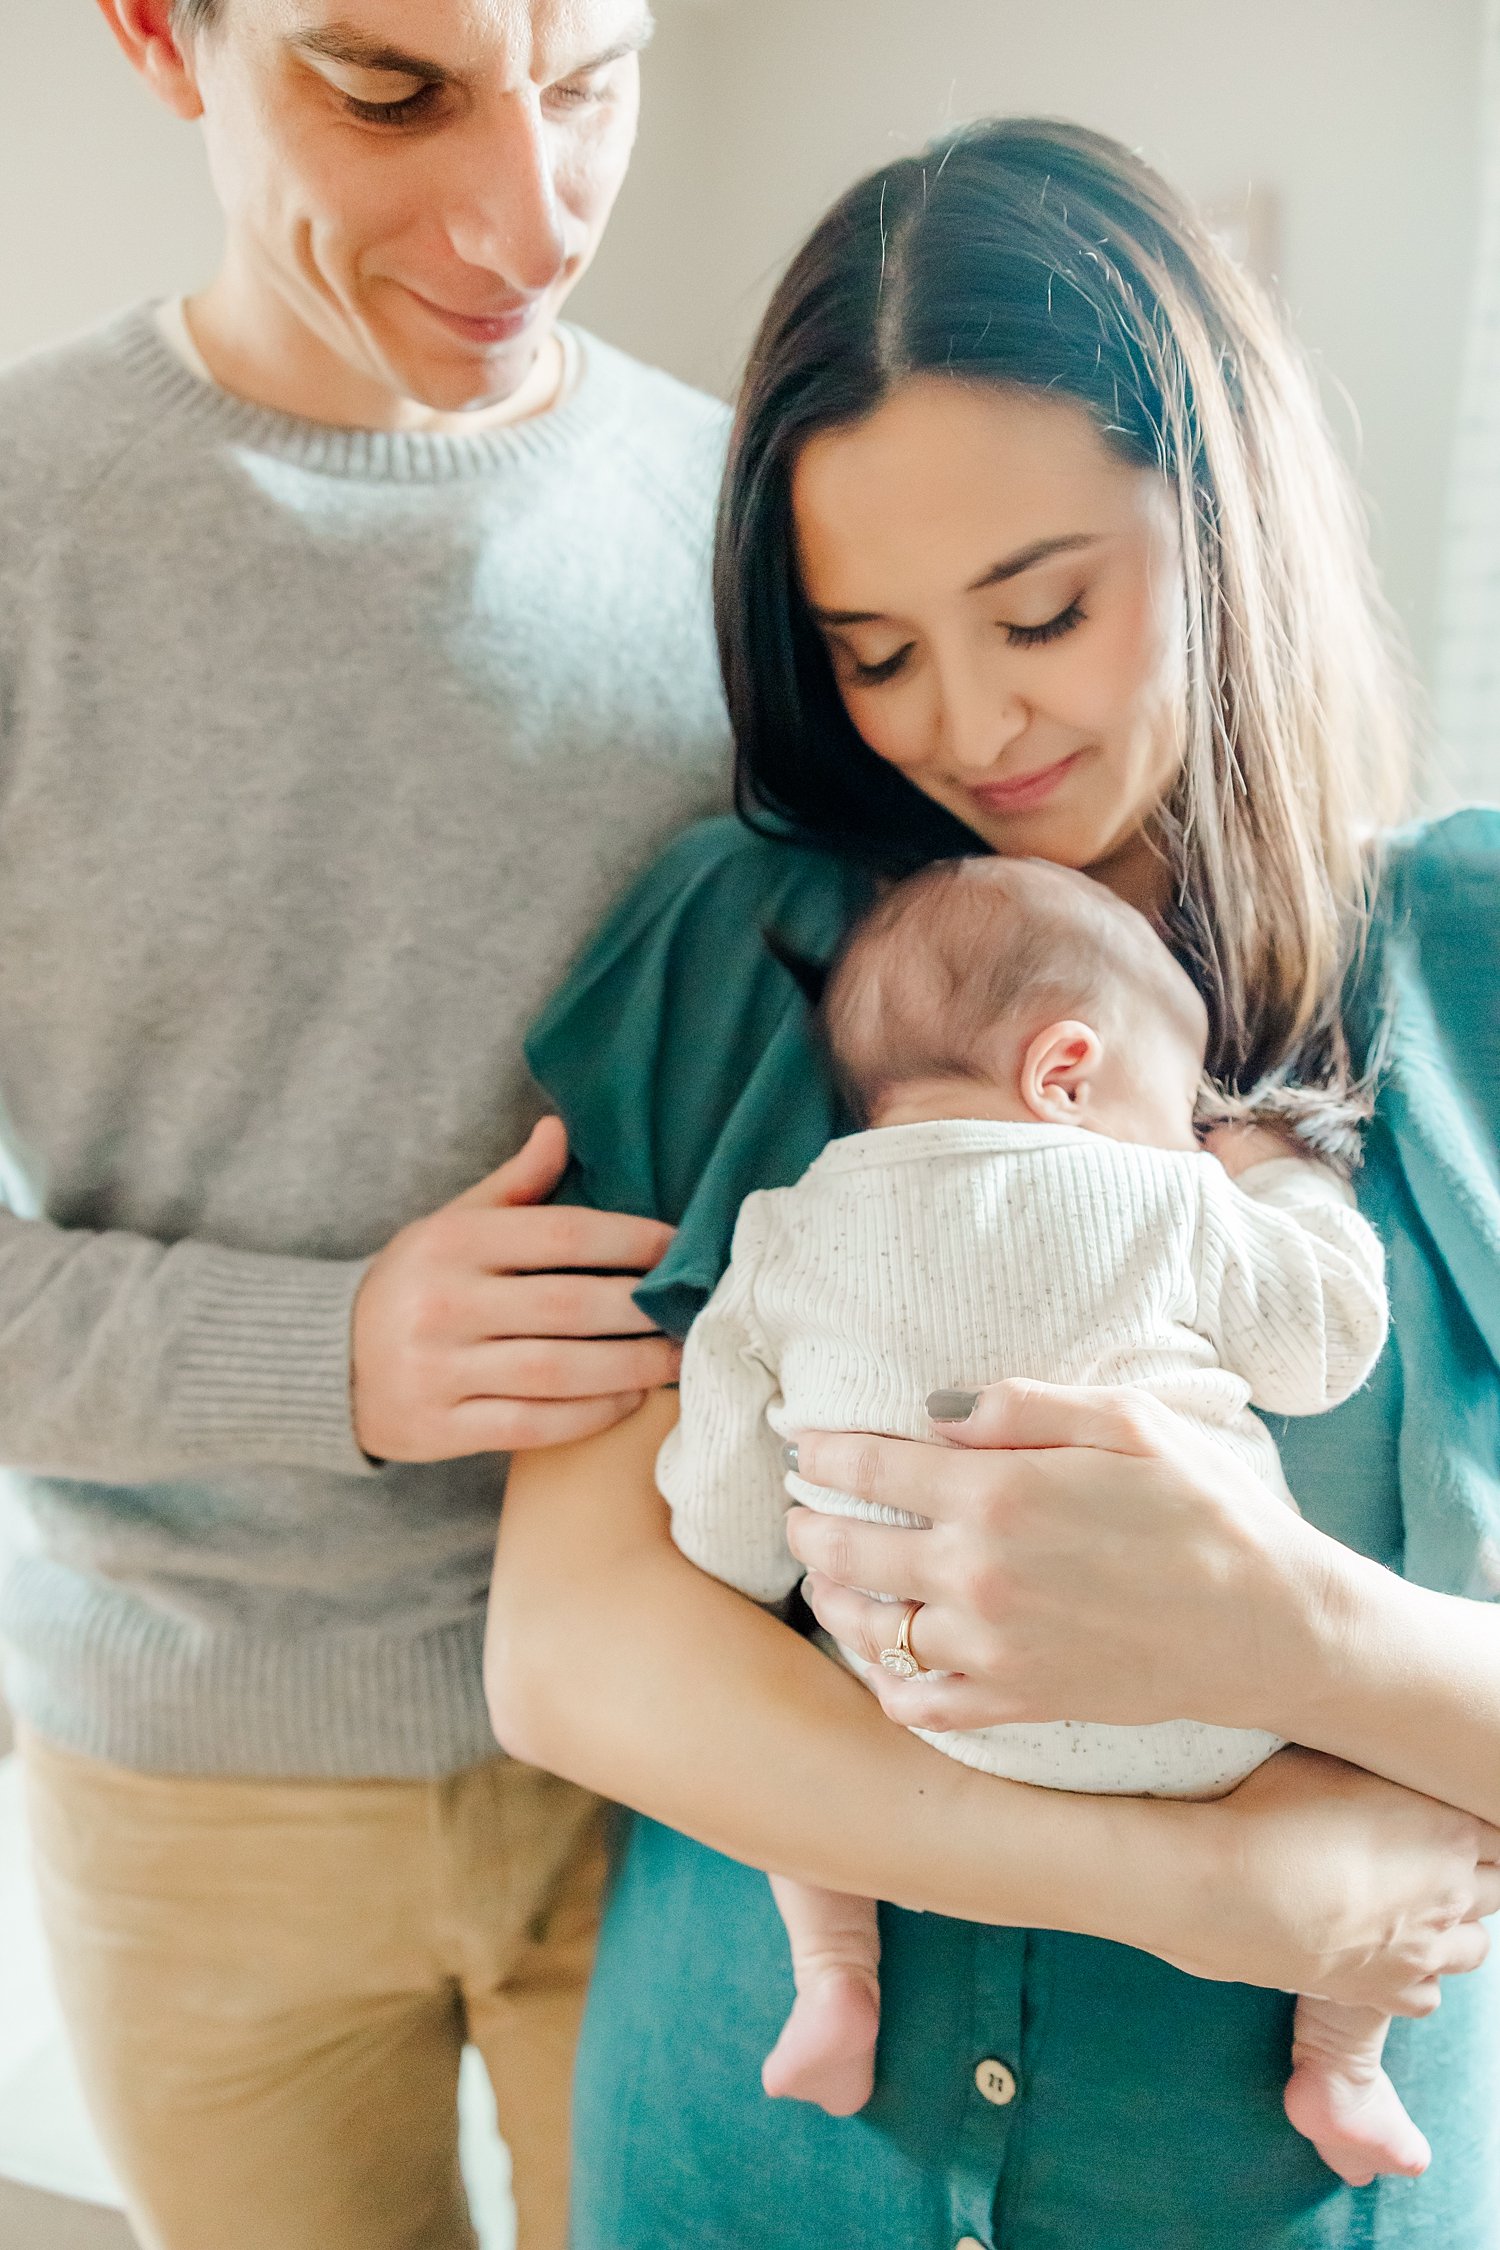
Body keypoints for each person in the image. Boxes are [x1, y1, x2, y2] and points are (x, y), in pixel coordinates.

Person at [485, 118, 1500, 2246]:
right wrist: (1202, 1885)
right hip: (750, 2166)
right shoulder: (751, 949)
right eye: (873, 650)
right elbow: (575, 1646)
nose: (970, 726)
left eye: (1043, 608)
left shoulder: (1472, 963)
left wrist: (1294, 1630)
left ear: (1222, 510)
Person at [0, 1, 730, 2245]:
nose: (535, 220)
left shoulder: (757, 533)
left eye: (592, 77)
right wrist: (331, 1355)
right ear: (159, 34)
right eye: (390, 89)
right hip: (188, 1786)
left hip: (693, 1761)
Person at [663, 851, 1422, 2189]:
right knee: (1377, 1788)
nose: (1189, 1135)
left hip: (922, 1705)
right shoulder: (1173, 1196)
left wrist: (775, 1553)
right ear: (1065, 1072)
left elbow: (724, 1524)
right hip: (1209, 1703)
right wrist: (1285, 1185)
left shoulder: (783, 1228)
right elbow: (1328, 1344)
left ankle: (836, 1982)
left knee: (770, 1760)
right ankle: (1342, 2066)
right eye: (1176, 1105)